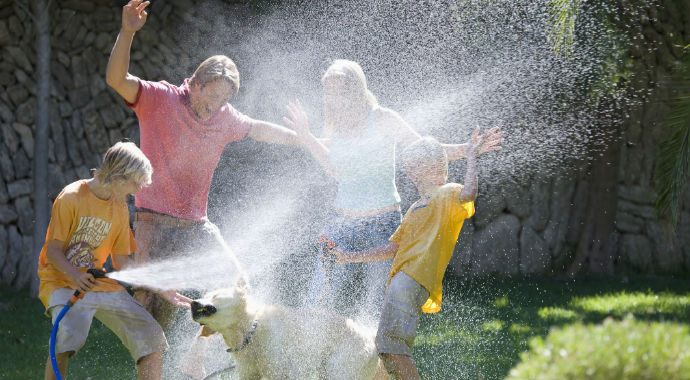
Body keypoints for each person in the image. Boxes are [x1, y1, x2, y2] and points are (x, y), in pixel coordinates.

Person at [106, 1, 302, 377]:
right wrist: (128, 31)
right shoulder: (159, 99)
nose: (215, 108)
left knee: (237, 284)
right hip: (152, 223)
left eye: (224, 101)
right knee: (151, 326)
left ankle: (195, 358)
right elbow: (117, 79)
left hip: (197, 225)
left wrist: (305, 140)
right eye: (210, 97)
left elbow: (259, 128)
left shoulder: (225, 118)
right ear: (193, 84)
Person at [284, 59, 503, 322]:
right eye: (329, 92)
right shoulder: (337, 127)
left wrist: (467, 149)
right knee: (319, 293)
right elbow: (336, 170)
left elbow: (425, 149)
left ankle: (376, 359)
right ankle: (306, 353)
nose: (333, 98)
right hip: (339, 222)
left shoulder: (382, 118)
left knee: (377, 303)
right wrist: (307, 136)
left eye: (340, 91)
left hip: (382, 222)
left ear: (356, 90)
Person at [327, 133, 484, 380]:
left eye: (415, 166)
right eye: (409, 168)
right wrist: (347, 257)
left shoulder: (448, 193)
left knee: (392, 346)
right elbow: (391, 248)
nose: (410, 173)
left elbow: (469, 193)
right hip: (400, 281)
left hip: (412, 279)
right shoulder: (415, 207)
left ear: (435, 168)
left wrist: (471, 157)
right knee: (385, 346)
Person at [38, 142, 191, 380]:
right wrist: (76, 276)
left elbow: (122, 262)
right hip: (60, 280)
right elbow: (53, 252)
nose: (137, 190)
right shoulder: (71, 198)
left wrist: (161, 288)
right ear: (118, 176)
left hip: (98, 283)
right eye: (136, 183)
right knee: (65, 335)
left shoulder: (119, 208)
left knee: (151, 336)